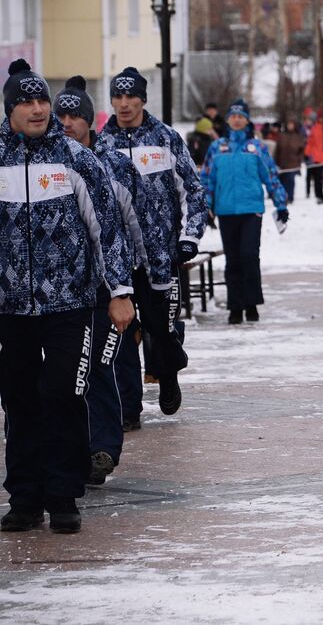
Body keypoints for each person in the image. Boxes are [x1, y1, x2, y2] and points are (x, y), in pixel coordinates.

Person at [1, 61, 134, 534]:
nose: (38, 109)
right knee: (18, 399)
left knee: (63, 393)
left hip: (71, 304)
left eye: (43, 101)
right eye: (27, 102)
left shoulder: (74, 158)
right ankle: (24, 497)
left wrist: (119, 291)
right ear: (10, 108)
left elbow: (107, 229)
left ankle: (62, 496)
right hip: (10, 307)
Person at [100, 66, 205, 417]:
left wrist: (189, 236)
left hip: (160, 255)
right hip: (120, 259)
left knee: (162, 328)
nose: (124, 103)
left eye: (131, 96)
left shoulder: (165, 138)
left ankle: (168, 371)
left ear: (143, 99)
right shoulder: (103, 144)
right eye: (118, 96)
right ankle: (128, 407)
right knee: (124, 331)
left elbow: (192, 188)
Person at [54, 76, 142, 486]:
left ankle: (103, 447)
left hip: (107, 287)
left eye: (76, 115)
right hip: (64, 292)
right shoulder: (48, 163)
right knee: (72, 372)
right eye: (63, 114)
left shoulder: (109, 164)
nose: (68, 122)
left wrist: (130, 282)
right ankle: (75, 448)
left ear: (90, 121)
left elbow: (128, 225)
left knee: (100, 367)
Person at [199, 99, 289, 324]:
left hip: (251, 210)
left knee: (249, 256)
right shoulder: (217, 147)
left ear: (247, 121)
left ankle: (251, 303)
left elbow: (271, 176)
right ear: (228, 120)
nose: (237, 120)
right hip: (226, 210)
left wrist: (281, 204)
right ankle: (235, 307)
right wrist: (206, 206)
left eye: (241, 116)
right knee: (233, 259)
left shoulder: (257, 147)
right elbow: (207, 179)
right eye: (233, 116)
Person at [272, 115, 305, 204]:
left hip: (293, 163)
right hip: (282, 163)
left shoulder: (298, 136)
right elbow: (277, 149)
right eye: (289, 124)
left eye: (292, 124)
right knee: (282, 181)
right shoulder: (282, 135)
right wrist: (275, 162)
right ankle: (283, 197)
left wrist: (299, 160)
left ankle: (290, 197)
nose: (290, 126)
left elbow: (302, 151)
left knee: (290, 180)